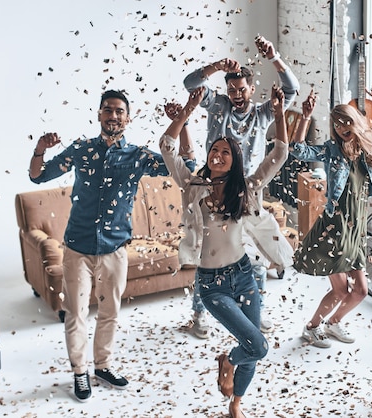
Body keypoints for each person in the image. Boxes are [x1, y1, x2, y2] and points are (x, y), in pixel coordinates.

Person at [28, 90, 195, 403]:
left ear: (127, 118)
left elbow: (185, 165)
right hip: (77, 247)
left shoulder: (137, 156)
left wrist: (181, 123)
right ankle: (80, 372)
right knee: (76, 313)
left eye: (119, 111)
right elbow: (38, 176)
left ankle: (102, 366)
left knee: (110, 312)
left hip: (115, 248)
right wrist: (40, 149)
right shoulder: (80, 150)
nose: (113, 115)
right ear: (99, 115)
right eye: (108, 110)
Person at [159, 85, 289, 418]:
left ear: (235, 160)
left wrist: (278, 114)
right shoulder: (192, 185)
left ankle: (236, 402)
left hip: (244, 277)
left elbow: (279, 155)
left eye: (225, 152)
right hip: (212, 284)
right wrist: (186, 112)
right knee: (257, 345)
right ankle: (229, 360)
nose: (217, 155)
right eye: (214, 150)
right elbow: (168, 147)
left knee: (253, 346)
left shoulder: (246, 187)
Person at [183, 35, 299, 338]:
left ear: (251, 89)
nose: (236, 94)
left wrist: (274, 57)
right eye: (232, 89)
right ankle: (199, 314)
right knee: (209, 253)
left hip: (248, 189)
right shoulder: (217, 104)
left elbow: (292, 90)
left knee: (255, 253)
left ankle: (254, 310)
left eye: (241, 89)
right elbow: (190, 84)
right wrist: (216, 66)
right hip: (213, 186)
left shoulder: (262, 114)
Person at [291, 89, 372, 348]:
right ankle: (311, 328)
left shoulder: (369, 147)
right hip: (334, 227)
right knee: (341, 290)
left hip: (356, 229)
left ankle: (333, 324)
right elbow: (299, 151)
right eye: (337, 123)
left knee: (361, 291)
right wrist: (305, 118)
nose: (343, 127)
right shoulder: (332, 150)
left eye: (347, 121)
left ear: (356, 122)